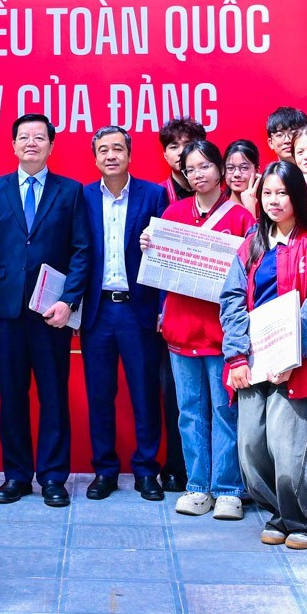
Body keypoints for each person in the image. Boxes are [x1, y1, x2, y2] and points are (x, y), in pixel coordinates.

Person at [0, 113, 92, 507]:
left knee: (54, 396)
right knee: (12, 397)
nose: (31, 143)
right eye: (23, 137)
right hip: (5, 315)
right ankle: (17, 476)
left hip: (50, 314)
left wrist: (68, 300)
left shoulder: (70, 191)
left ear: (51, 145)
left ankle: (54, 477)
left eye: (39, 137)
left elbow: (81, 251)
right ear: (12, 145)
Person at [220, 161, 307, 548]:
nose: (274, 200)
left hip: (296, 362)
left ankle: (306, 521)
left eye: (282, 193)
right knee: (253, 444)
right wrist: (237, 355)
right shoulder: (252, 242)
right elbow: (233, 298)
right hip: (253, 361)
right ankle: (276, 513)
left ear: (297, 197)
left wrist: (291, 353)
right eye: (267, 193)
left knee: (295, 447)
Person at [143, 138, 252, 520]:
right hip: (181, 329)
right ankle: (196, 485)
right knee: (189, 411)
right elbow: (160, 273)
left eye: (205, 166)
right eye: (190, 169)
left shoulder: (241, 218)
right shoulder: (172, 214)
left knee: (225, 410)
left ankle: (227, 489)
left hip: (222, 334)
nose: (198, 174)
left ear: (221, 170)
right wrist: (150, 248)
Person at [79, 125, 170, 500]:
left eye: (118, 148)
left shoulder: (153, 194)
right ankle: (105, 470)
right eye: (104, 150)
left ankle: (147, 470)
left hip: (139, 310)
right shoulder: (82, 197)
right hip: (97, 311)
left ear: (130, 155)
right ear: (96, 156)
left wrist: (164, 306)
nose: (111, 155)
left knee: (144, 392)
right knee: (100, 394)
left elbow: (167, 255)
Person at [155, 119, 204, 489]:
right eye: (173, 146)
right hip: (171, 312)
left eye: (189, 145)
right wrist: (159, 307)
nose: (180, 152)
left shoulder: (223, 197)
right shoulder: (159, 195)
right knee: (176, 395)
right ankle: (178, 466)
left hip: (215, 313)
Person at [159, 118, 206, 204]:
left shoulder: (213, 191)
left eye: (187, 145)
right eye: (174, 147)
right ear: (165, 155)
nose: (181, 152)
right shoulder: (157, 195)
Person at [224, 139, 262, 217]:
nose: (237, 174)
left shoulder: (267, 208)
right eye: (230, 168)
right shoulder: (218, 208)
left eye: (244, 168)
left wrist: (250, 208)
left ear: (257, 171)